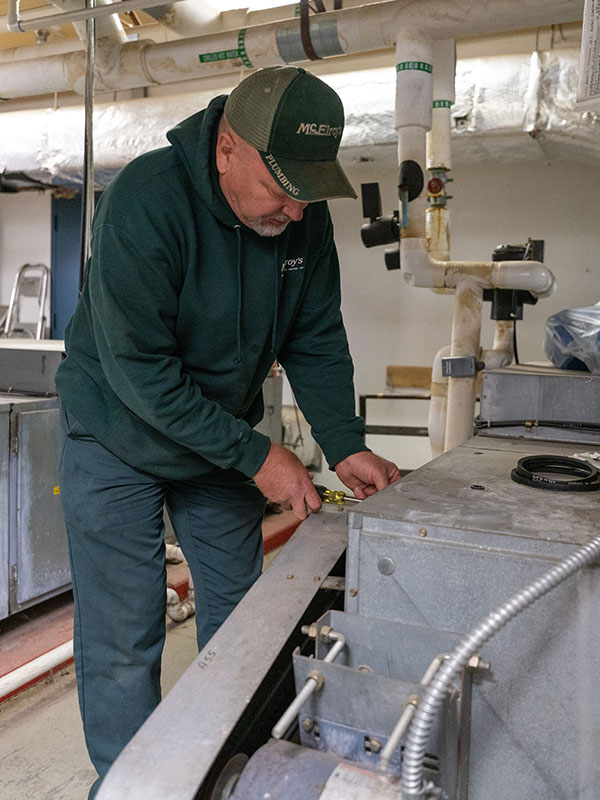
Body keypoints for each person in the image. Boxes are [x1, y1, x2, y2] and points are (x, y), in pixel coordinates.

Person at [55, 65, 401, 797]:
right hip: (116, 427)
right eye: (282, 189)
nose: (296, 211)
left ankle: (233, 771)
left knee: (248, 617)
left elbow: (315, 335)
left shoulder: (300, 217)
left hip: (215, 437)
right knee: (125, 633)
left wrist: (345, 443)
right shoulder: (146, 202)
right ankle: (130, 786)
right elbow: (141, 372)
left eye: (307, 193)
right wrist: (256, 456)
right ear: (227, 150)